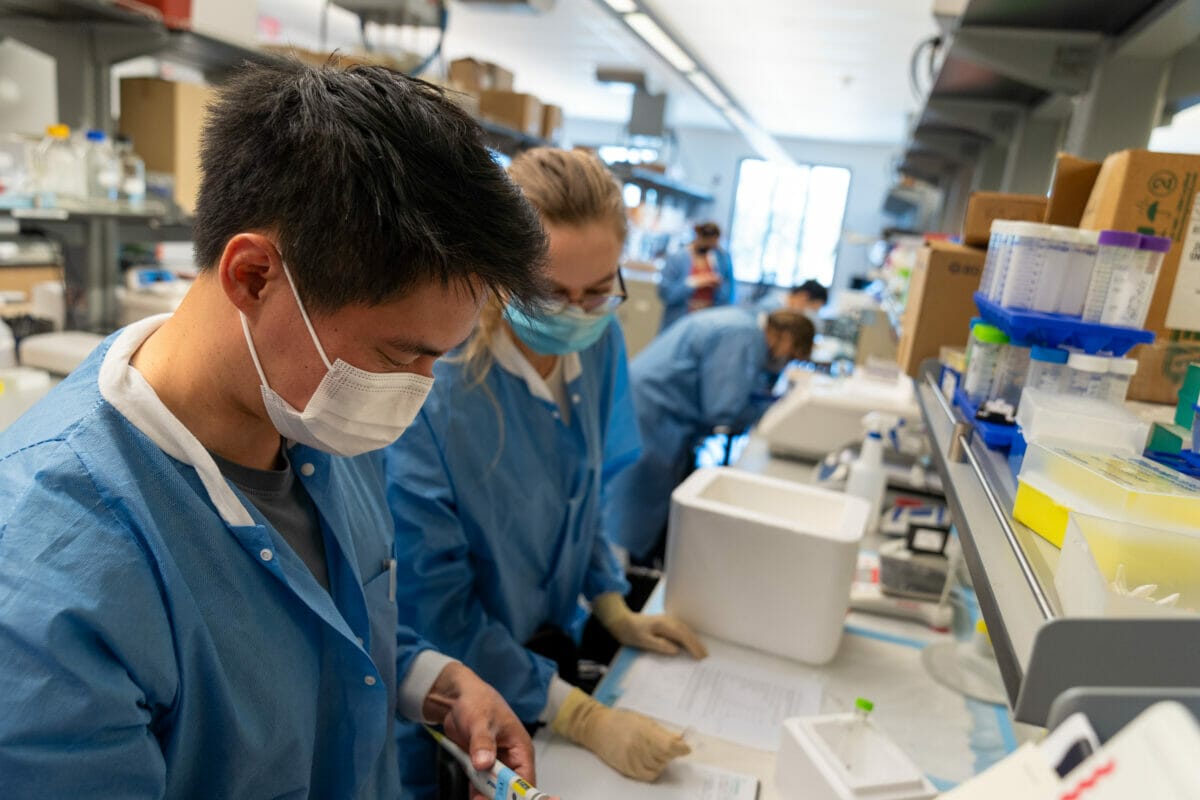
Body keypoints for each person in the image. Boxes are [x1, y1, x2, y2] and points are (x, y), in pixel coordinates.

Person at [0, 60, 550, 799]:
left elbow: (315, 631)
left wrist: (435, 682)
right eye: (399, 353)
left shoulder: (317, 418)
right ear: (253, 275)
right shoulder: (51, 578)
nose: (415, 390)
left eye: (436, 359)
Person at [385, 148, 706, 798]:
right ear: (499, 271)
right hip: (455, 691)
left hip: (545, 644)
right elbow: (433, 604)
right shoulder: (433, 389)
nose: (577, 311)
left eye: (598, 290)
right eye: (552, 292)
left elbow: (583, 494)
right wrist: (575, 713)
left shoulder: (598, 342)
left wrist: (612, 603)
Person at [605, 307, 816, 563]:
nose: (785, 361)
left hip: (656, 407)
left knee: (642, 499)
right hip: (654, 411)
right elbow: (722, 408)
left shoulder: (744, 324)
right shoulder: (742, 337)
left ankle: (637, 564)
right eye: (790, 354)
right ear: (784, 336)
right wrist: (766, 407)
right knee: (635, 501)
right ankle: (626, 574)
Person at [658, 221, 735, 331]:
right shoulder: (678, 258)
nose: (710, 248)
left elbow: (728, 294)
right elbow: (667, 294)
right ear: (698, 237)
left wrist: (717, 283)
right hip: (679, 320)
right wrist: (693, 282)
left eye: (713, 245)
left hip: (708, 322)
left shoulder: (720, 259)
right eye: (707, 243)